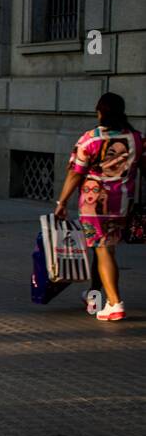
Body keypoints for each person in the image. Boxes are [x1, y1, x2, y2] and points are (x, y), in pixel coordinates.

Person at [54, 92, 142, 322]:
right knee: (105, 250)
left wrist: (62, 202)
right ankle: (94, 295)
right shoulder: (137, 138)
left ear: (101, 112)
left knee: (102, 250)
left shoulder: (90, 139)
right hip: (123, 202)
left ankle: (114, 303)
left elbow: (75, 173)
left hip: (95, 205)